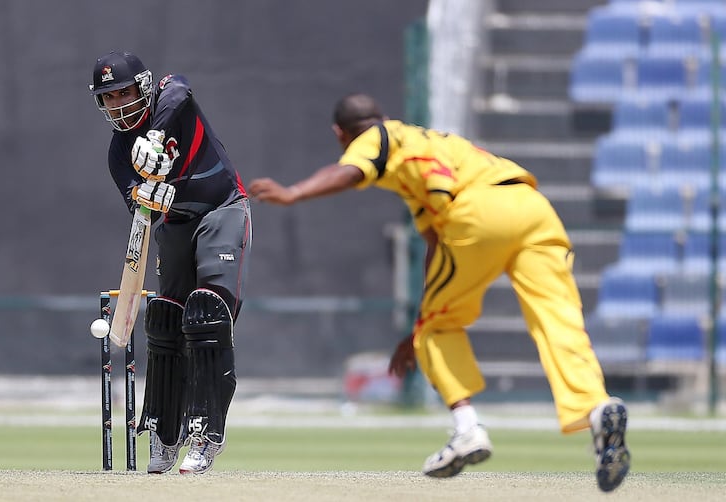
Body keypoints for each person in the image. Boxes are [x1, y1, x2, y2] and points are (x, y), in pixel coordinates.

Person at [248, 93, 630, 492]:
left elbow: (350, 173)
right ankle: (597, 408)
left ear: (339, 133)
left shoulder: (376, 137)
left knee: (436, 329)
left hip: (479, 211)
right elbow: (434, 242)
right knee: (559, 323)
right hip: (533, 207)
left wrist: (294, 193)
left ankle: (467, 429)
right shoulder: (430, 142)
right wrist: (422, 318)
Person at [89, 51, 252, 475]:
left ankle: (205, 434)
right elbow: (142, 212)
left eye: (124, 92)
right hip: (176, 225)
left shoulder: (170, 97)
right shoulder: (117, 153)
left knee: (207, 313)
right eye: (108, 97)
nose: (118, 103)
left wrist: (155, 138)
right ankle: (164, 435)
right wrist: (148, 195)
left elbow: (179, 88)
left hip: (222, 208)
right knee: (165, 320)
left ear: (143, 86)